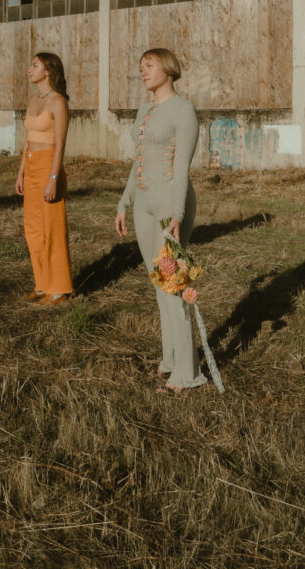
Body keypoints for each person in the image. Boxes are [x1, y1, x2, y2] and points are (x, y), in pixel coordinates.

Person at [115, 48, 207, 393]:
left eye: (148, 65)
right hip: (143, 204)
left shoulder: (183, 110)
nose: (142, 72)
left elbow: (181, 167)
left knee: (173, 287)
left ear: (168, 69)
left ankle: (187, 373)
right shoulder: (144, 110)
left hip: (171, 205)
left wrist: (179, 215)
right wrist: (124, 202)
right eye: (140, 67)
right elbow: (137, 160)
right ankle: (170, 360)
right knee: (158, 284)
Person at [16, 52, 74, 306]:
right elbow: (27, 141)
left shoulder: (57, 102)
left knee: (53, 229)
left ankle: (59, 288)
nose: (29, 69)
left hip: (49, 166)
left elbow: (60, 144)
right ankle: (42, 284)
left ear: (48, 71)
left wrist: (53, 177)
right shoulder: (33, 100)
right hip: (30, 167)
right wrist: (20, 173)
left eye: (34, 65)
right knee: (33, 230)